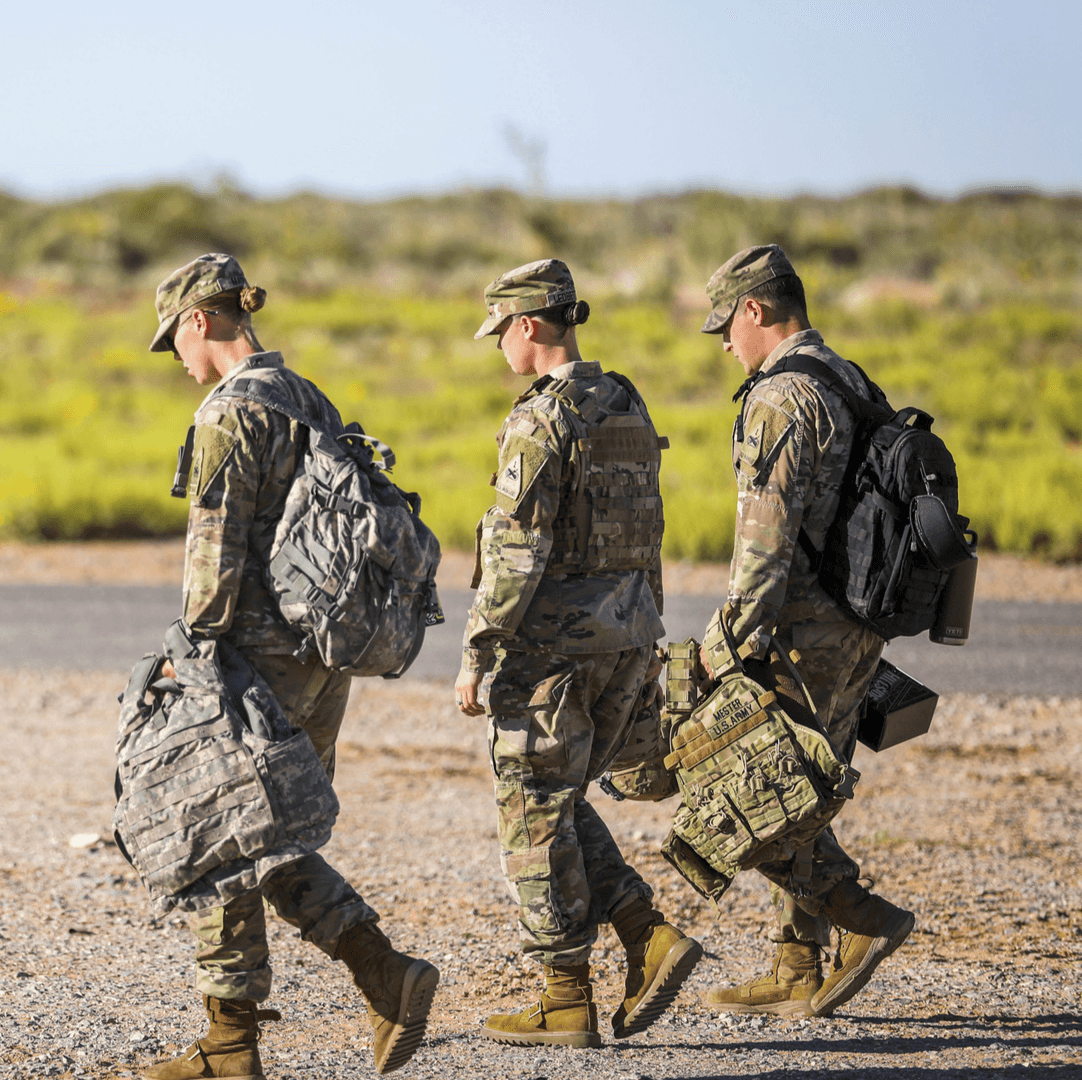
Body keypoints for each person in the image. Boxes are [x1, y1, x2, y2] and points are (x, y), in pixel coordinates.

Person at [140, 253, 438, 1079]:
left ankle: (237, 1041)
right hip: (325, 652)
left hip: (255, 657)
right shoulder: (307, 397)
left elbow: (214, 557)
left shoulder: (226, 415)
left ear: (200, 319)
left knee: (216, 825)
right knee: (269, 833)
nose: (180, 361)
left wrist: (189, 658)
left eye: (177, 342)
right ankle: (379, 975)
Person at [453, 259, 700, 1048]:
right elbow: (650, 524)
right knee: (558, 799)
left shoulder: (539, 419)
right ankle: (643, 933)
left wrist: (478, 651)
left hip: (554, 649)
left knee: (530, 806)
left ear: (528, 326)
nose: (499, 349)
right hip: (628, 633)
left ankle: (567, 994)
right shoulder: (623, 398)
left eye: (501, 333)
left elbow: (516, 550)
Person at [693, 244, 914, 1018]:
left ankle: (863, 919)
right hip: (861, 624)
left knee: (749, 788)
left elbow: (765, 544)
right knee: (809, 791)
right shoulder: (850, 379)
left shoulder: (780, 397)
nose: (724, 342)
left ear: (756, 310)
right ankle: (796, 966)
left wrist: (717, 650)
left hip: (801, 631)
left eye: (726, 324)